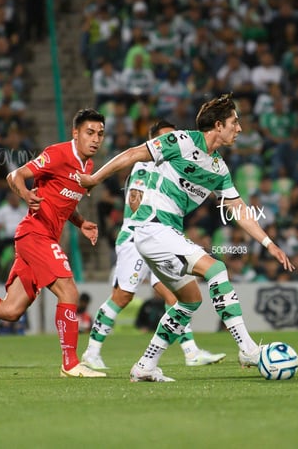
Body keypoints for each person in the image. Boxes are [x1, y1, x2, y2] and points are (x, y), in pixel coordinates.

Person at [78, 93, 294, 382]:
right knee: (216, 270)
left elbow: (239, 210)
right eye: (235, 122)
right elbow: (132, 154)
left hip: (164, 233)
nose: (239, 129)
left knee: (189, 300)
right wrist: (94, 179)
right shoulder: (181, 140)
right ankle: (248, 348)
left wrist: (269, 244)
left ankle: (145, 366)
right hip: (151, 226)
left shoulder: (218, 168)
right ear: (218, 125)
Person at [0, 109, 107, 378]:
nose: (95, 139)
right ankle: (71, 363)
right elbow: (14, 176)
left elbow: (62, 202)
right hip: (34, 234)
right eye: (90, 132)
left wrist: (81, 222)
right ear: (75, 133)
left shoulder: (87, 167)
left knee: (11, 310)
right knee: (69, 293)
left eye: (99, 133)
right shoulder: (58, 154)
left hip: (40, 237)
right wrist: (27, 194)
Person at [82, 120, 226, 371]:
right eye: (168, 137)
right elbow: (136, 200)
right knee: (123, 295)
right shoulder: (144, 164)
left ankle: (191, 352)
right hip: (137, 236)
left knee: (175, 295)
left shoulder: (177, 168)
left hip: (162, 236)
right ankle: (91, 351)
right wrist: (151, 225)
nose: (175, 142)